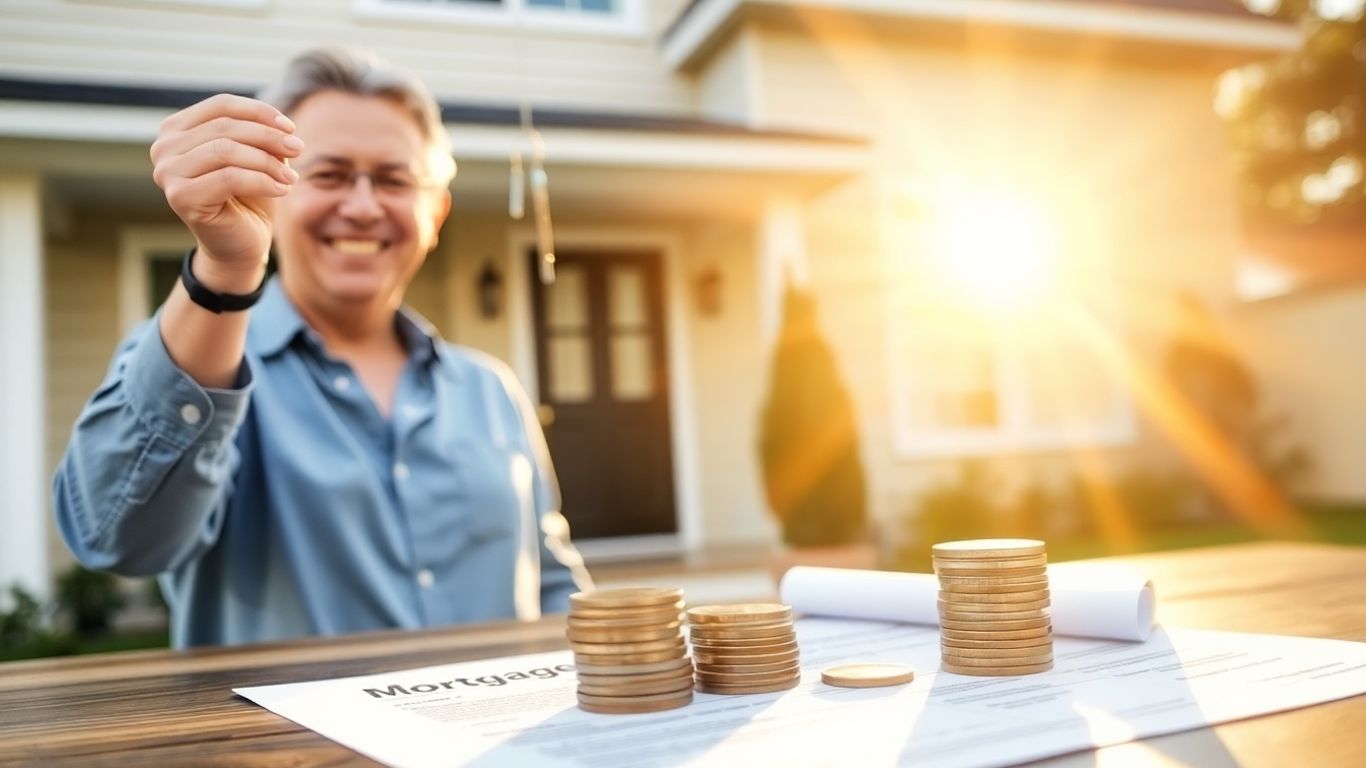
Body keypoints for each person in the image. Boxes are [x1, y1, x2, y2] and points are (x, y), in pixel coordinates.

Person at [52, 47, 591, 648]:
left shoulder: (490, 389)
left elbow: (547, 576)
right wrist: (224, 271)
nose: (361, 207)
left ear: (436, 213)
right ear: (268, 194)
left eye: (393, 180)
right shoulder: (195, 360)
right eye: (330, 175)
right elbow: (115, 538)